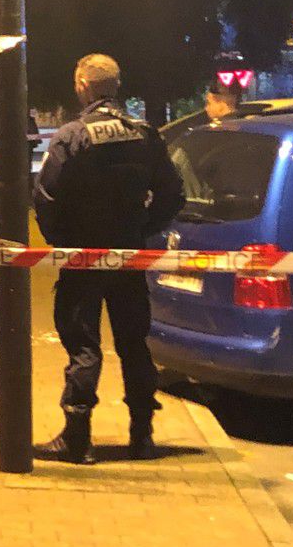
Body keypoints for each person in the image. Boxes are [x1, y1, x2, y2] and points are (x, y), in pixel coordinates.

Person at [33, 53, 184, 464]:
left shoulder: (72, 136)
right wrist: (142, 229)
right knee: (134, 343)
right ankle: (142, 436)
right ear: (115, 87)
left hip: (84, 257)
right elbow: (174, 194)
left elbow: (46, 198)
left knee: (84, 346)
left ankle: (77, 439)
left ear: (83, 84)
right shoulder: (145, 135)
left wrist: (62, 242)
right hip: (128, 256)